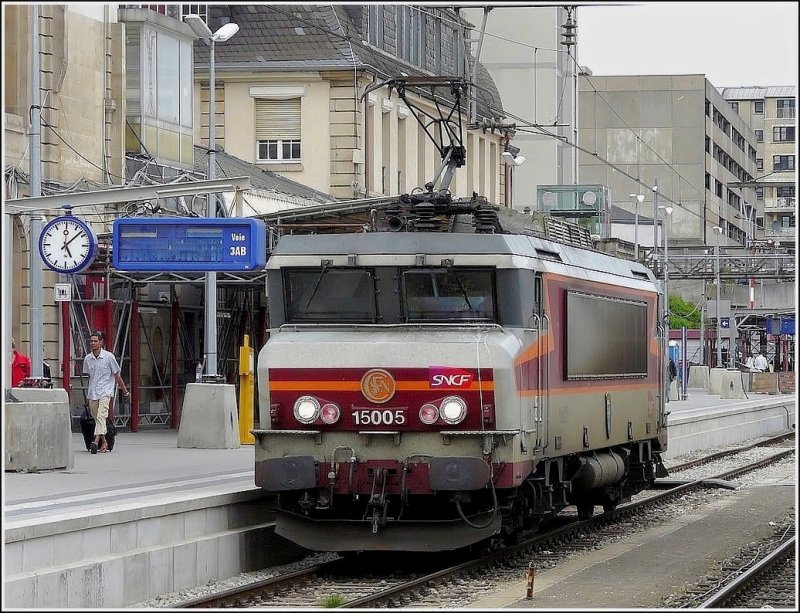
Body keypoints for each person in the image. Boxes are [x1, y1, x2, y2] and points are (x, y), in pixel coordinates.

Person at [83, 332, 130, 454]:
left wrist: (124, 391)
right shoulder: (88, 359)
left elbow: (117, 375)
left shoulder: (109, 357)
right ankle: (104, 442)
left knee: (101, 416)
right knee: (98, 418)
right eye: (91, 341)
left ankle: (95, 441)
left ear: (101, 342)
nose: (93, 343)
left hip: (105, 391)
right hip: (93, 392)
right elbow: (89, 376)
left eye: (95, 341)